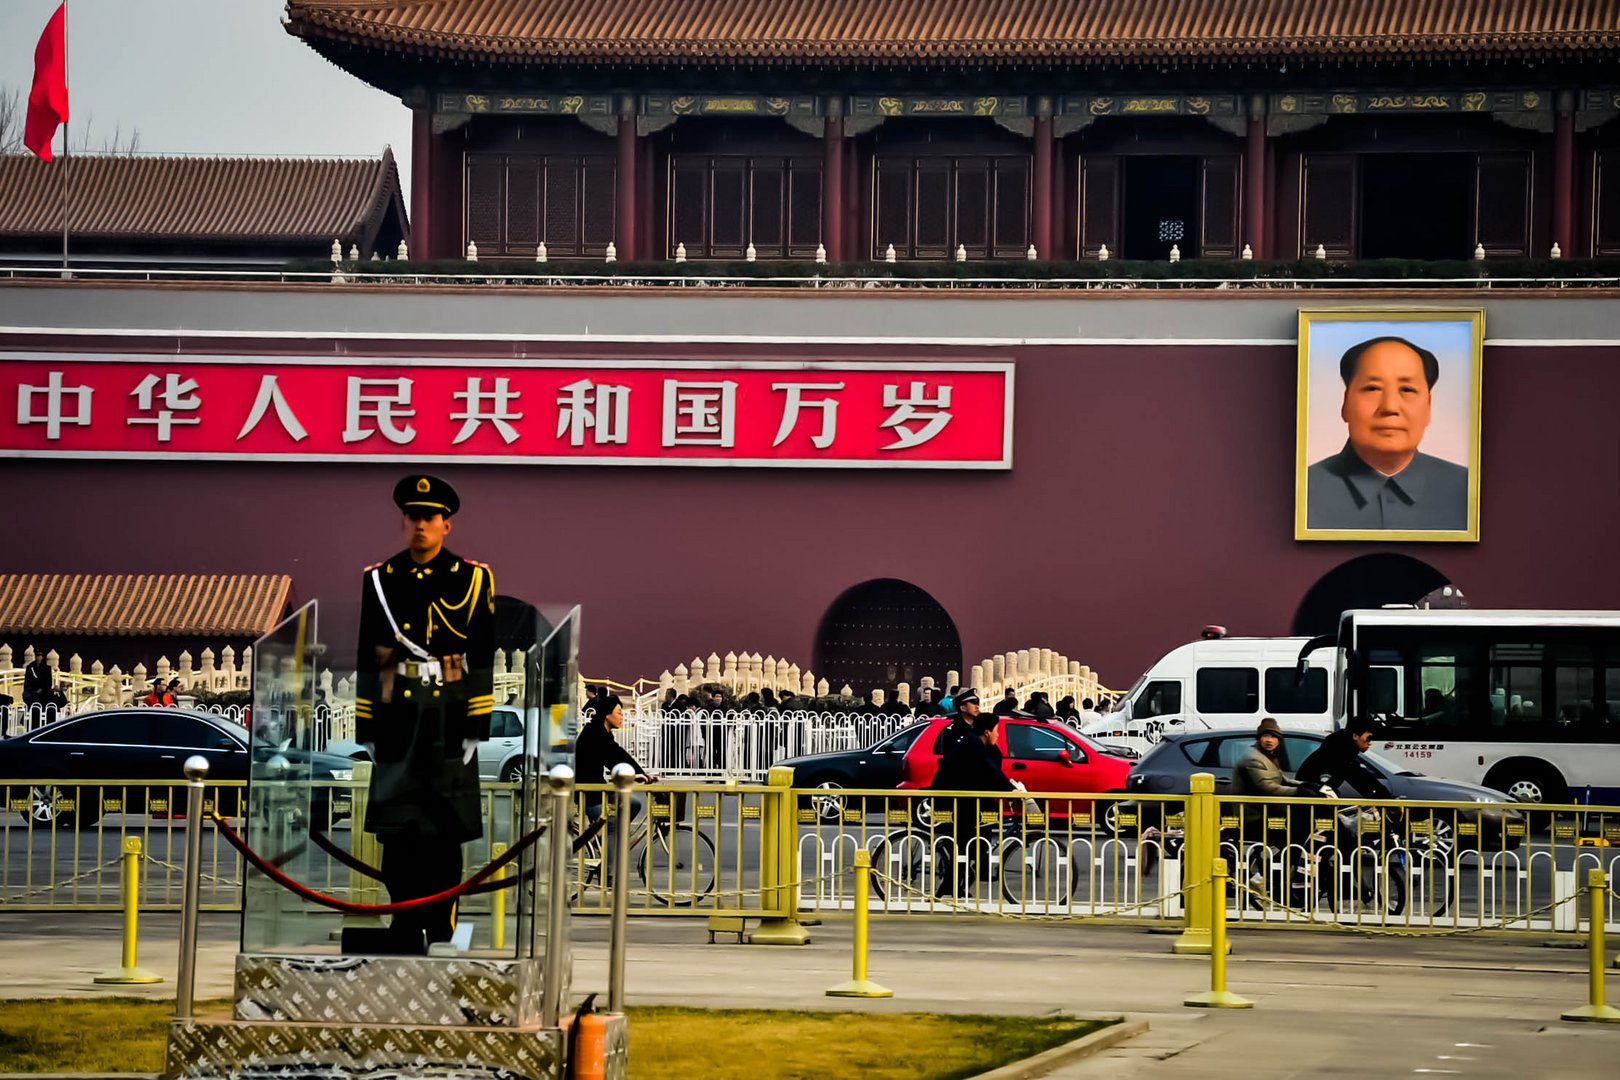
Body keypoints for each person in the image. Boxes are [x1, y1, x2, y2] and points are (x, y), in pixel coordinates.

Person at [353, 474, 495, 952]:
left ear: (446, 525)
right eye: (413, 516)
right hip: (398, 717)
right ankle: (403, 918)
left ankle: (441, 922)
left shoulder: (472, 578)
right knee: (398, 833)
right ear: (403, 521)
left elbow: (481, 654)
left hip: (448, 715)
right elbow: (373, 654)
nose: (421, 525)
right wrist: (368, 722)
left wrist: (477, 722)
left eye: (430, 518)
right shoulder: (380, 579)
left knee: (443, 831)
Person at [1306, 335, 1469, 532]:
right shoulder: (1303, 490)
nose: (1390, 407)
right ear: (1345, 403)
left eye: (1407, 390)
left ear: (1428, 407)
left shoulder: (1466, 489)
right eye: (1373, 388)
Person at [930, 707, 1018, 897]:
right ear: (987, 732)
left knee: (972, 841)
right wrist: (1011, 790)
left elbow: (990, 770)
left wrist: (1005, 787)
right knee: (964, 841)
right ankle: (950, 884)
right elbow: (988, 768)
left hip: (967, 797)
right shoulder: (972, 744)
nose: (999, 735)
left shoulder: (984, 746)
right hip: (950, 799)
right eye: (997, 730)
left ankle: (953, 884)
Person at [574, 693, 651, 829]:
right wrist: (636, 775)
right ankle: (610, 838)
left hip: (598, 790)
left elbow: (619, 754)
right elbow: (614, 759)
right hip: (590, 795)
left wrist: (641, 773)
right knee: (612, 828)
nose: (622, 717)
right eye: (619, 713)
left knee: (633, 804)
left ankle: (610, 835)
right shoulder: (595, 733)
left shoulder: (602, 732)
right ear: (607, 715)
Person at [1232, 717, 1313, 839]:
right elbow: (1268, 788)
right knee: (1299, 826)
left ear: (1279, 741)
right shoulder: (1252, 758)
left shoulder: (1268, 755)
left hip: (1267, 810)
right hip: (1256, 816)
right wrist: (1300, 792)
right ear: (1259, 738)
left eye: (1274, 737)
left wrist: (1305, 784)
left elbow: (1282, 779)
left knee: (1302, 821)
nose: (1269, 740)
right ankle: (1291, 856)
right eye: (1266, 736)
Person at [1293, 716, 1392, 800]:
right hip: (1310, 797)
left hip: (1314, 794)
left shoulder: (1342, 747)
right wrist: (1384, 798)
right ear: (1355, 736)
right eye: (1368, 738)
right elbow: (1358, 777)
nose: (1370, 743)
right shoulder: (1340, 751)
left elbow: (1360, 776)